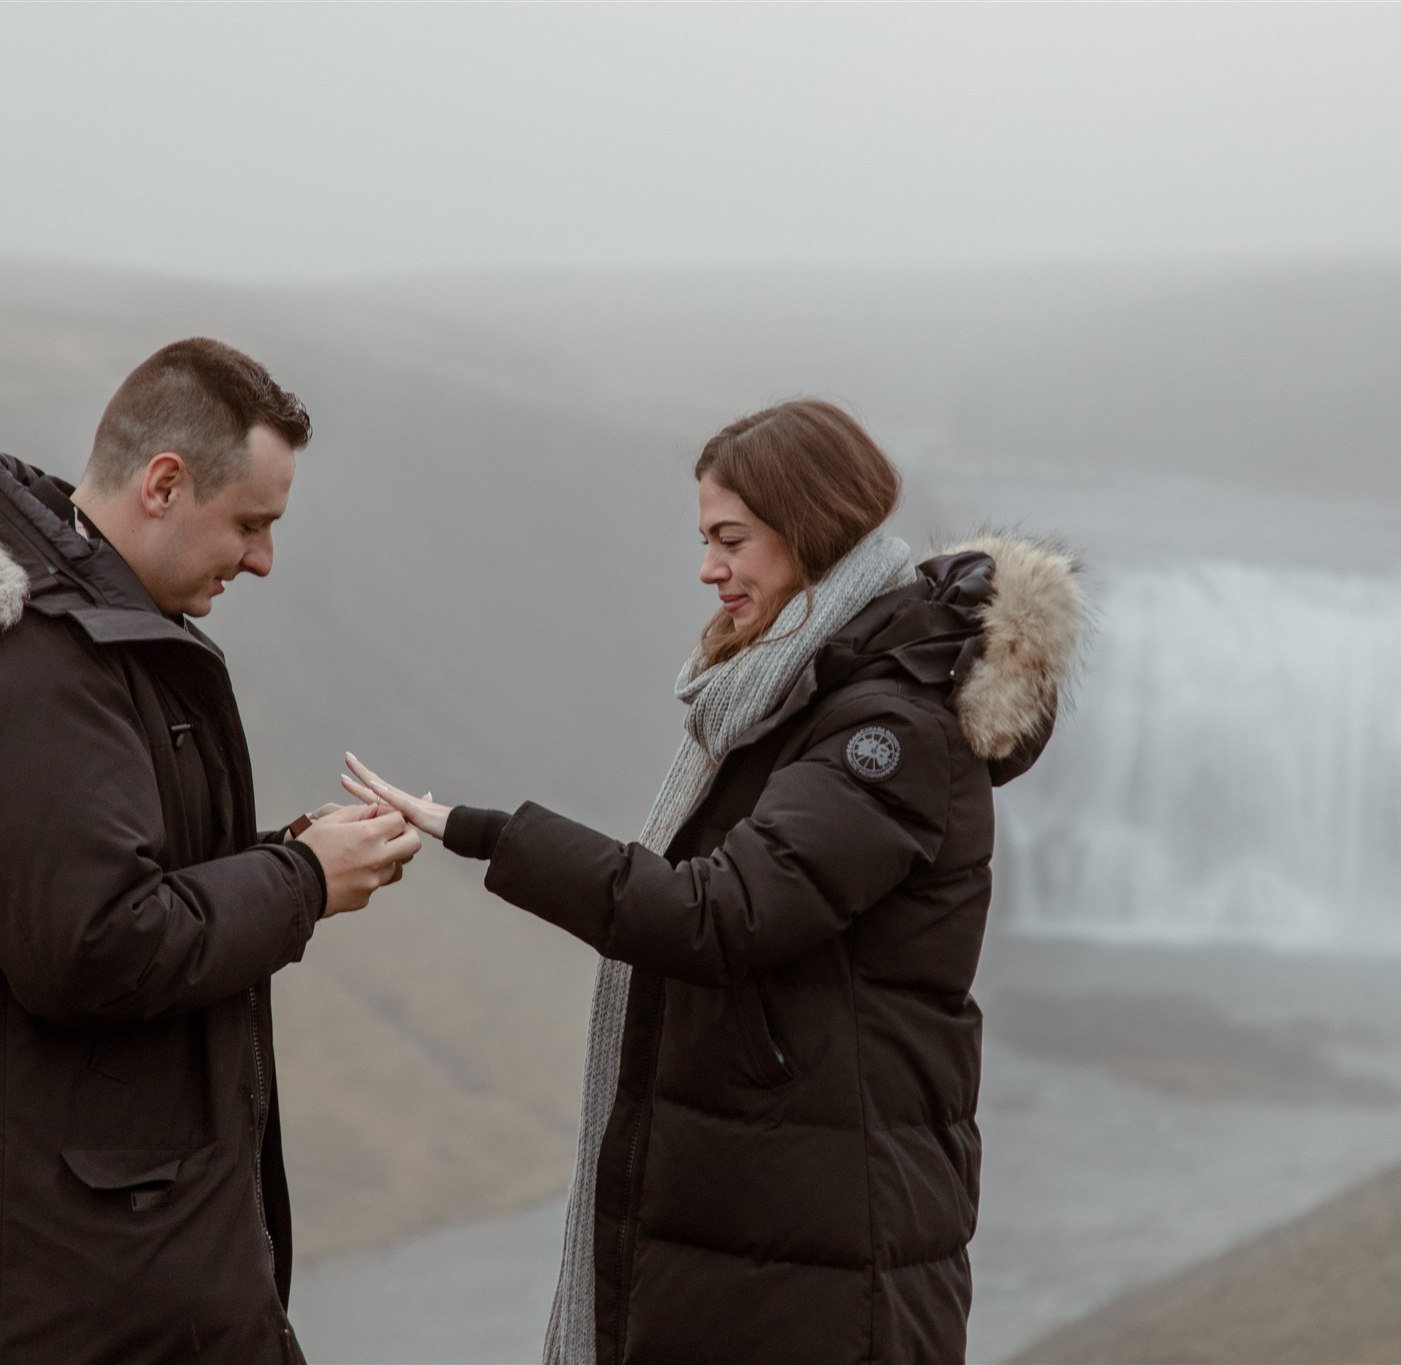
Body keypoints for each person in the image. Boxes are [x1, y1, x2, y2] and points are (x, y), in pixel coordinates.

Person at [345, 399, 1087, 1365]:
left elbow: (720, 914)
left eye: (730, 539)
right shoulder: (800, 696)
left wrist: (483, 833)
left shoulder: (885, 733)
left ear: (809, 526)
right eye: (706, 540)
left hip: (822, 1257)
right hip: (770, 1228)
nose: (709, 569)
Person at [0, 338, 416, 1364]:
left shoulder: (90, 644)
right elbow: (93, 944)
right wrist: (303, 879)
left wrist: (291, 858)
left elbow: (121, 885)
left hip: (115, 1291)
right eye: (251, 524)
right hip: (45, 1313)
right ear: (163, 483)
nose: (263, 560)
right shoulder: (20, 663)